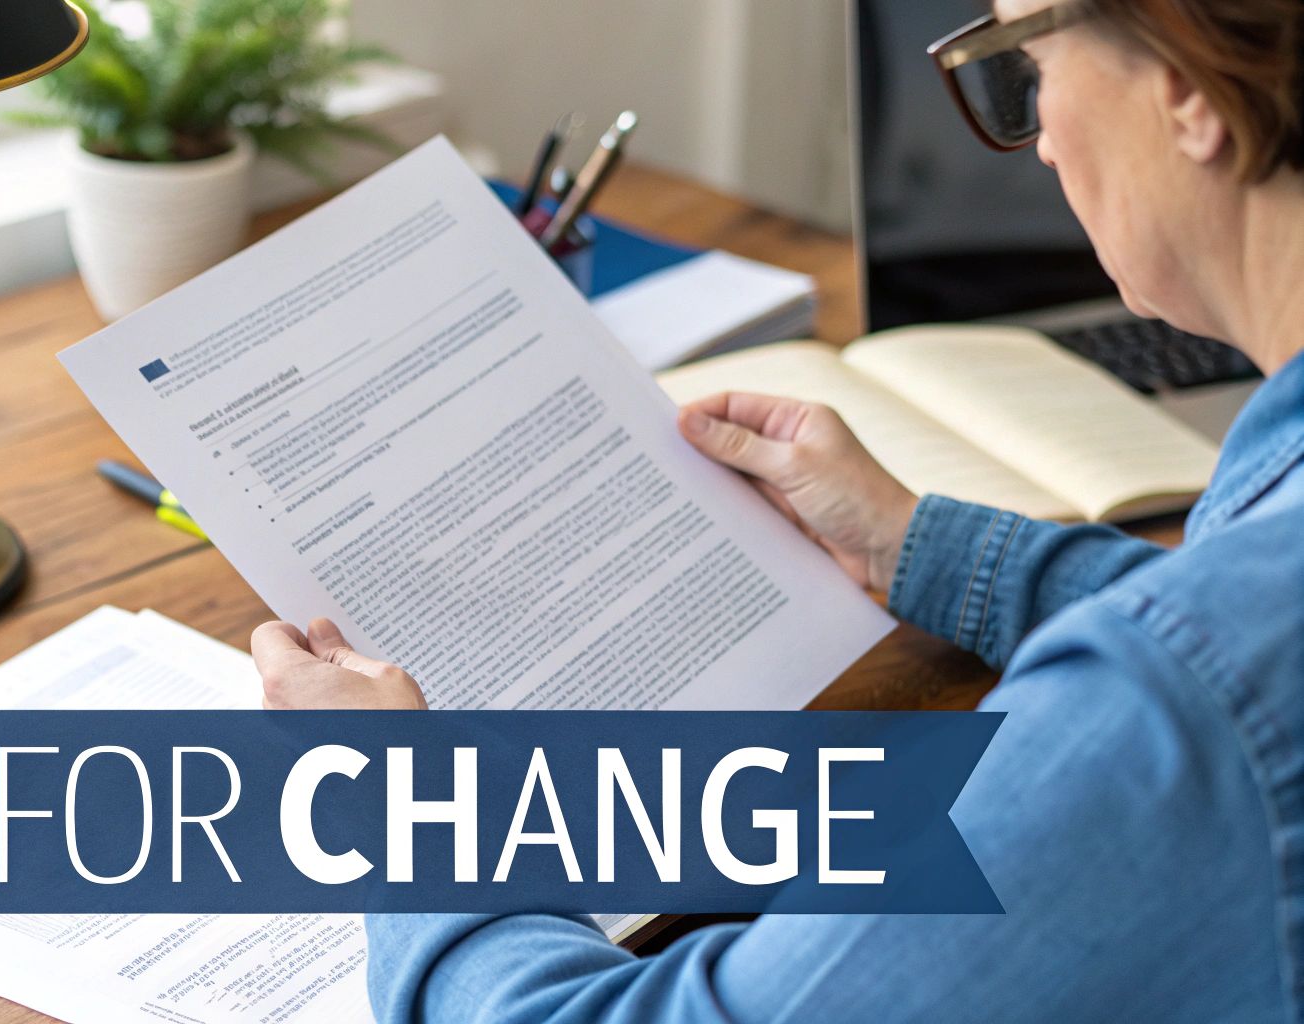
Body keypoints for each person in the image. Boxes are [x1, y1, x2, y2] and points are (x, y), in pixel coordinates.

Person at [251, 0, 1304, 1019]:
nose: (1039, 141)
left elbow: (1208, 676)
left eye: (1029, 64)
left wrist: (404, 798)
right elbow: (1233, 644)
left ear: (1185, 88)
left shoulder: (1173, 699)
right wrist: (920, 546)